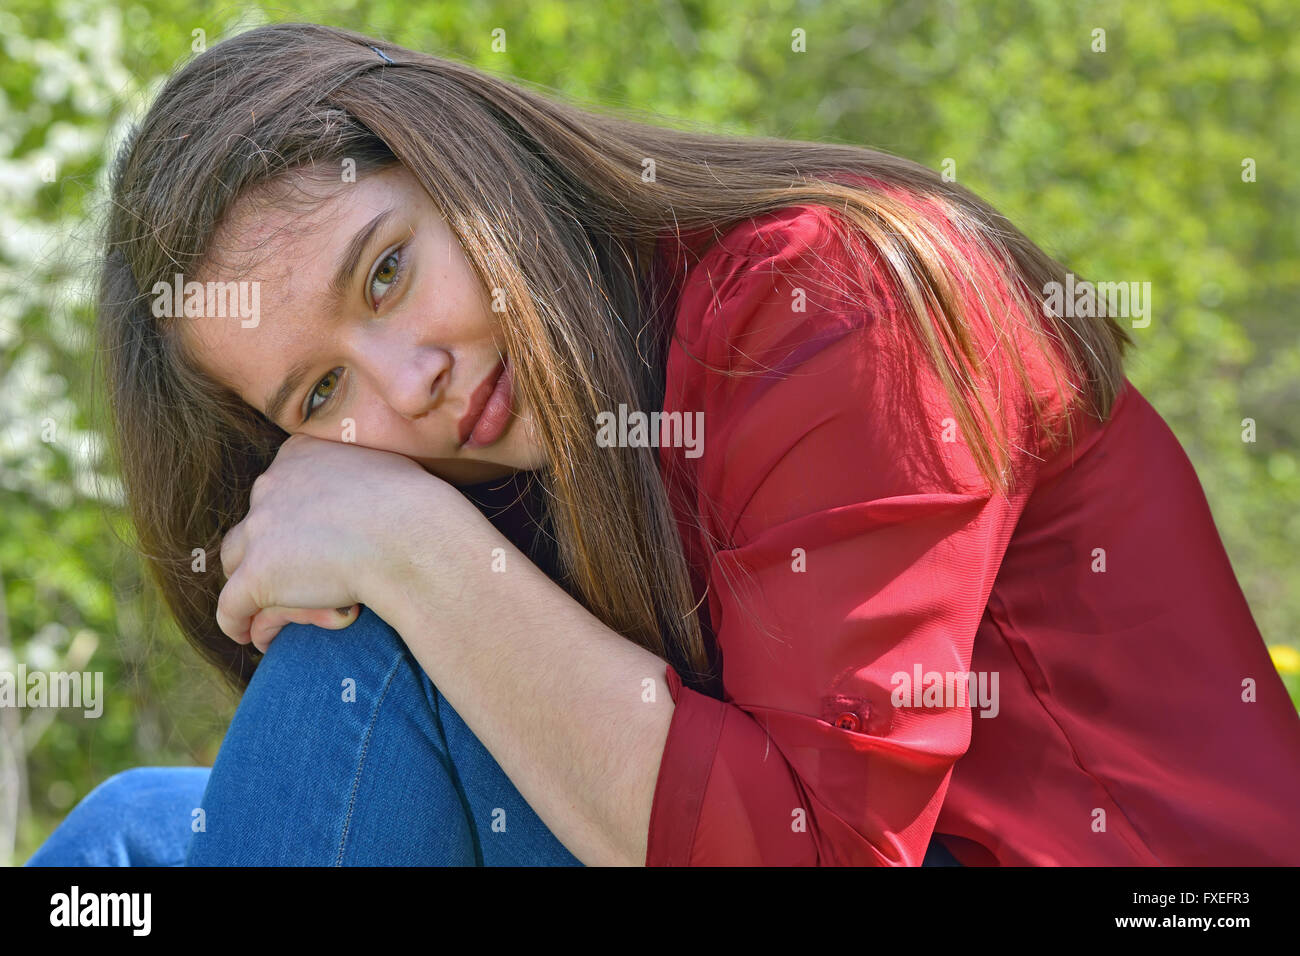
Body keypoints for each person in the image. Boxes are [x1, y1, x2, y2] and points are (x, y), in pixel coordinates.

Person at [27, 22, 1300, 867]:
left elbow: (825, 851)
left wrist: (410, 547)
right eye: (316, 396)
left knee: (352, 656)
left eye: (388, 270)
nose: (406, 383)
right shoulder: (535, 457)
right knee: (124, 841)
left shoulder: (829, 300)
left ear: (468, 159)